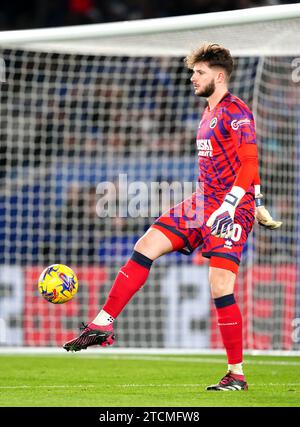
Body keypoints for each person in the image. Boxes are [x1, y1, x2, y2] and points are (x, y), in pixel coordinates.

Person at [63, 43, 282, 391]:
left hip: (230, 210)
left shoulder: (236, 111)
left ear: (219, 75)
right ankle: (103, 323)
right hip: (202, 203)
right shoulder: (207, 112)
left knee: (220, 287)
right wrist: (255, 198)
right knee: (146, 243)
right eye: (192, 72)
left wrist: (243, 203)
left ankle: (236, 374)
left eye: (199, 72)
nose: (192, 77)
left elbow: (249, 162)